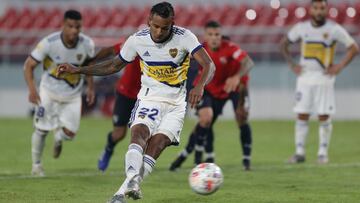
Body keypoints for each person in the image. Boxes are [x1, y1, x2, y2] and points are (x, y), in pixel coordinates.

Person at [56, 2, 215, 202]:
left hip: (176, 103)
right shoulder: (137, 41)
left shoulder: (185, 37)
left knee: (158, 144)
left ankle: (124, 191)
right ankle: (128, 185)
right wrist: (78, 70)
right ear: (149, 20)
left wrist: (199, 85)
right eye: (155, 26)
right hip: (149, 97)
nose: (158, 32)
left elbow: (209, 64)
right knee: (139, 132)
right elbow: (113, 65)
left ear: (172, 24)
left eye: (164, 27)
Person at [280, 0, 359, 164]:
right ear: (311, 10)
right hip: (304, 77)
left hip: (324, 78)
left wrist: (339, 66)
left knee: (324, 115)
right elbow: (283, 44)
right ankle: (299, 152)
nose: (319, 11)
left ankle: (322, 153)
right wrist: (292, 64)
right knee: (302, 114)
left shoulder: (334, 29)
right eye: (316, 8)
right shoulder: (302, 28)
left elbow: (354, 48)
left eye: (322, 8)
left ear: (326, 9)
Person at [169, 21, 254, 171]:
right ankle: (190, 154)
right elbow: (180, 59)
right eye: (211, 34)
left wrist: (236, 77)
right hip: (209, 89)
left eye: (217, 34)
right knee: (206, 119)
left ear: (221, 36)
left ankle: (246, 159)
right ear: (205, 36)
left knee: (241, 116)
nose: (214, 38)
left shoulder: (230, 48)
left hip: (233, 88)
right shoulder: (200, 49)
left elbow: (248, 63)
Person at [24, 10, 95, 176]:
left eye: (78, 27)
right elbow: (29, 65)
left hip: (73, 96)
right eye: (70, 26)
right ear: (63, 25)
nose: (74, 31)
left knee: (70, 134)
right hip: (48, 93)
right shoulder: (49, 43)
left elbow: (89, 66)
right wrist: (32, 90)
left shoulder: (87, 44)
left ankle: (58, 137)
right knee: (41, 129)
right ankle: (36, 166)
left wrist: (91, 87)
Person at [93, 43, 142, 171]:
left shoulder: (161, 51)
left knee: (141, 130)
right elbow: (110, 49)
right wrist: (93, 59)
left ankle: (135, 163)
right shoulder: (135, 44)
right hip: (125, 94)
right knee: (119, 134)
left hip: (145, 96)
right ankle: (108, 149)